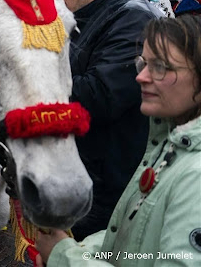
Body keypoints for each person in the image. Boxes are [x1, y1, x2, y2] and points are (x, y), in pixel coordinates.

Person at [35, 16, 201, 266]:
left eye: (160, 67)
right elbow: (135, 241)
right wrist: (77, 249)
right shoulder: (168, 144)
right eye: (143, 64)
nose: (141, 77)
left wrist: (64, 257)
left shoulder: (196, 175)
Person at [52, 0, 163, 239]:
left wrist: (39, 87)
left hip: (111, 173)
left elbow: (102, 94)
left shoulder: (132, 19)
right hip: (89, 165)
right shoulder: (90, 16)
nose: (58, 1)